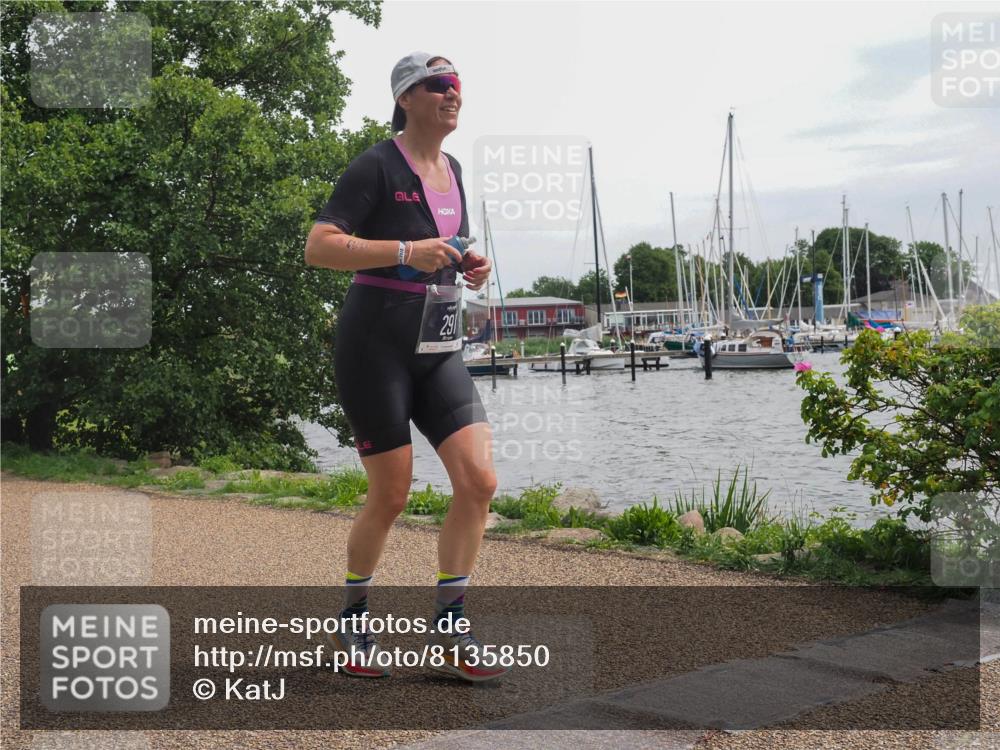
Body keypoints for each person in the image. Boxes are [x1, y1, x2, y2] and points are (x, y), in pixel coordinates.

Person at [304, 52, 508, 682]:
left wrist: (471, 264)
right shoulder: (375, 164)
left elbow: (449, 248)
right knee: (391, 494)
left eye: (457, 86)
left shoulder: (453, 171)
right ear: (406, 98)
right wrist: (402, 250)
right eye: (437, 85)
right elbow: (319, 246)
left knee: (479, 482)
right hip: (375, 346)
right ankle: (352, 624)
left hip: (439, 345)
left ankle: (451, 626)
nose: (452, 95)